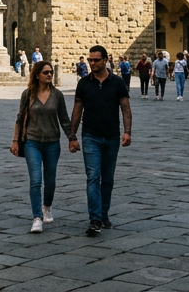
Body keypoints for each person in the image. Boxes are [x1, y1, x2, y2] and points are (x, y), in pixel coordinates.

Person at [69, 45, 132, 236]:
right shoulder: (84, 83)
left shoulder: (118, 82)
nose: (92, 63)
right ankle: (94, 219)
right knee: (93, 177)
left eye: (96, 60)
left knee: (108, 179)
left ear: (105, 60)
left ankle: (104, 214)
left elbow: (125, 108)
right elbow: (77, 110)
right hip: (90, 136)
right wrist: (72, 136)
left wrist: (127, 131)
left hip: (112, 136)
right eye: (90, 60)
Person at [12, 60, 72, 234]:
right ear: (37, 75)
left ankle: (47, 206)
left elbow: (64, 119)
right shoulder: (28, 94)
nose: (49, 75)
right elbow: (19, 118)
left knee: (50, 181)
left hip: (53, 142)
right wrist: (15, 141)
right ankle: (37, 218)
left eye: (51, 72)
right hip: (32, 142)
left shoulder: (57, 95)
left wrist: (72, 138)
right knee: (36, 180)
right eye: (45, 72)